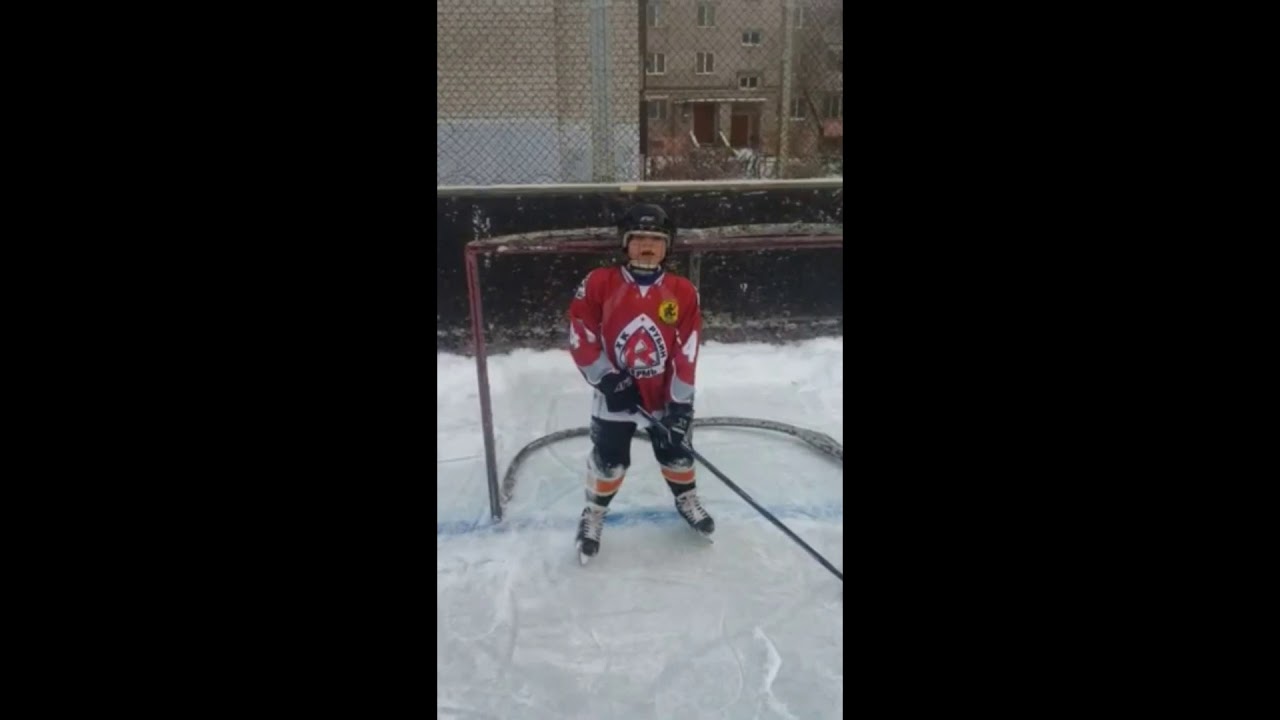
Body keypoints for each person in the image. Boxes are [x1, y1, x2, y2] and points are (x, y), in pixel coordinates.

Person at [566, 203, 711, 563]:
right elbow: (581, 334)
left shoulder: (683, 291)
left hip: (662, 395)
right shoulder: (599, 283)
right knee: (609, 462)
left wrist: (680, 403)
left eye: (656, 240)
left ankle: (686, 499)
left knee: (678, 453)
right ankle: (594, 515)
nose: (647, 247)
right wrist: (609, 379)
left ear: (668, 246)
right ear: (625, 244)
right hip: (615, 397)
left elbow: (686, 350)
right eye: (639, 239)